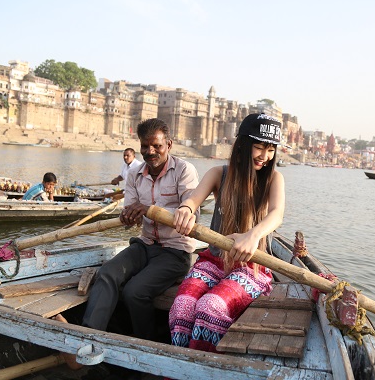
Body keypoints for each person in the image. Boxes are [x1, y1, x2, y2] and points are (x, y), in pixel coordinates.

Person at [169, 113, 286, 353]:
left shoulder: (274, 178)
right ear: (243, 145)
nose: (265, 156)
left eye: (271, 149)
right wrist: (185, 209)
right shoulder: (218, 173)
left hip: (252, 267)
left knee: (210, 306)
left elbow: (277, 214)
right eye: (259, 147)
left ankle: (206, 369)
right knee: (182, 306)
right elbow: (193, 199)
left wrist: (252, 235)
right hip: (213, 260)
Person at [81, 118, 200, 342]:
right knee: (107, 274)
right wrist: (129, 217)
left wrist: (149, 209)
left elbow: (189, 214)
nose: (150, 151)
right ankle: (89, 337)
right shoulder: (135, 175)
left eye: (157, 146)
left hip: (175, 251)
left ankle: (145, 343)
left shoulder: (184, 170)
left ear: (169, 145)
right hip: (144, 245)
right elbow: (132, 214)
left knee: (134, 292)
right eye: (145, 146)